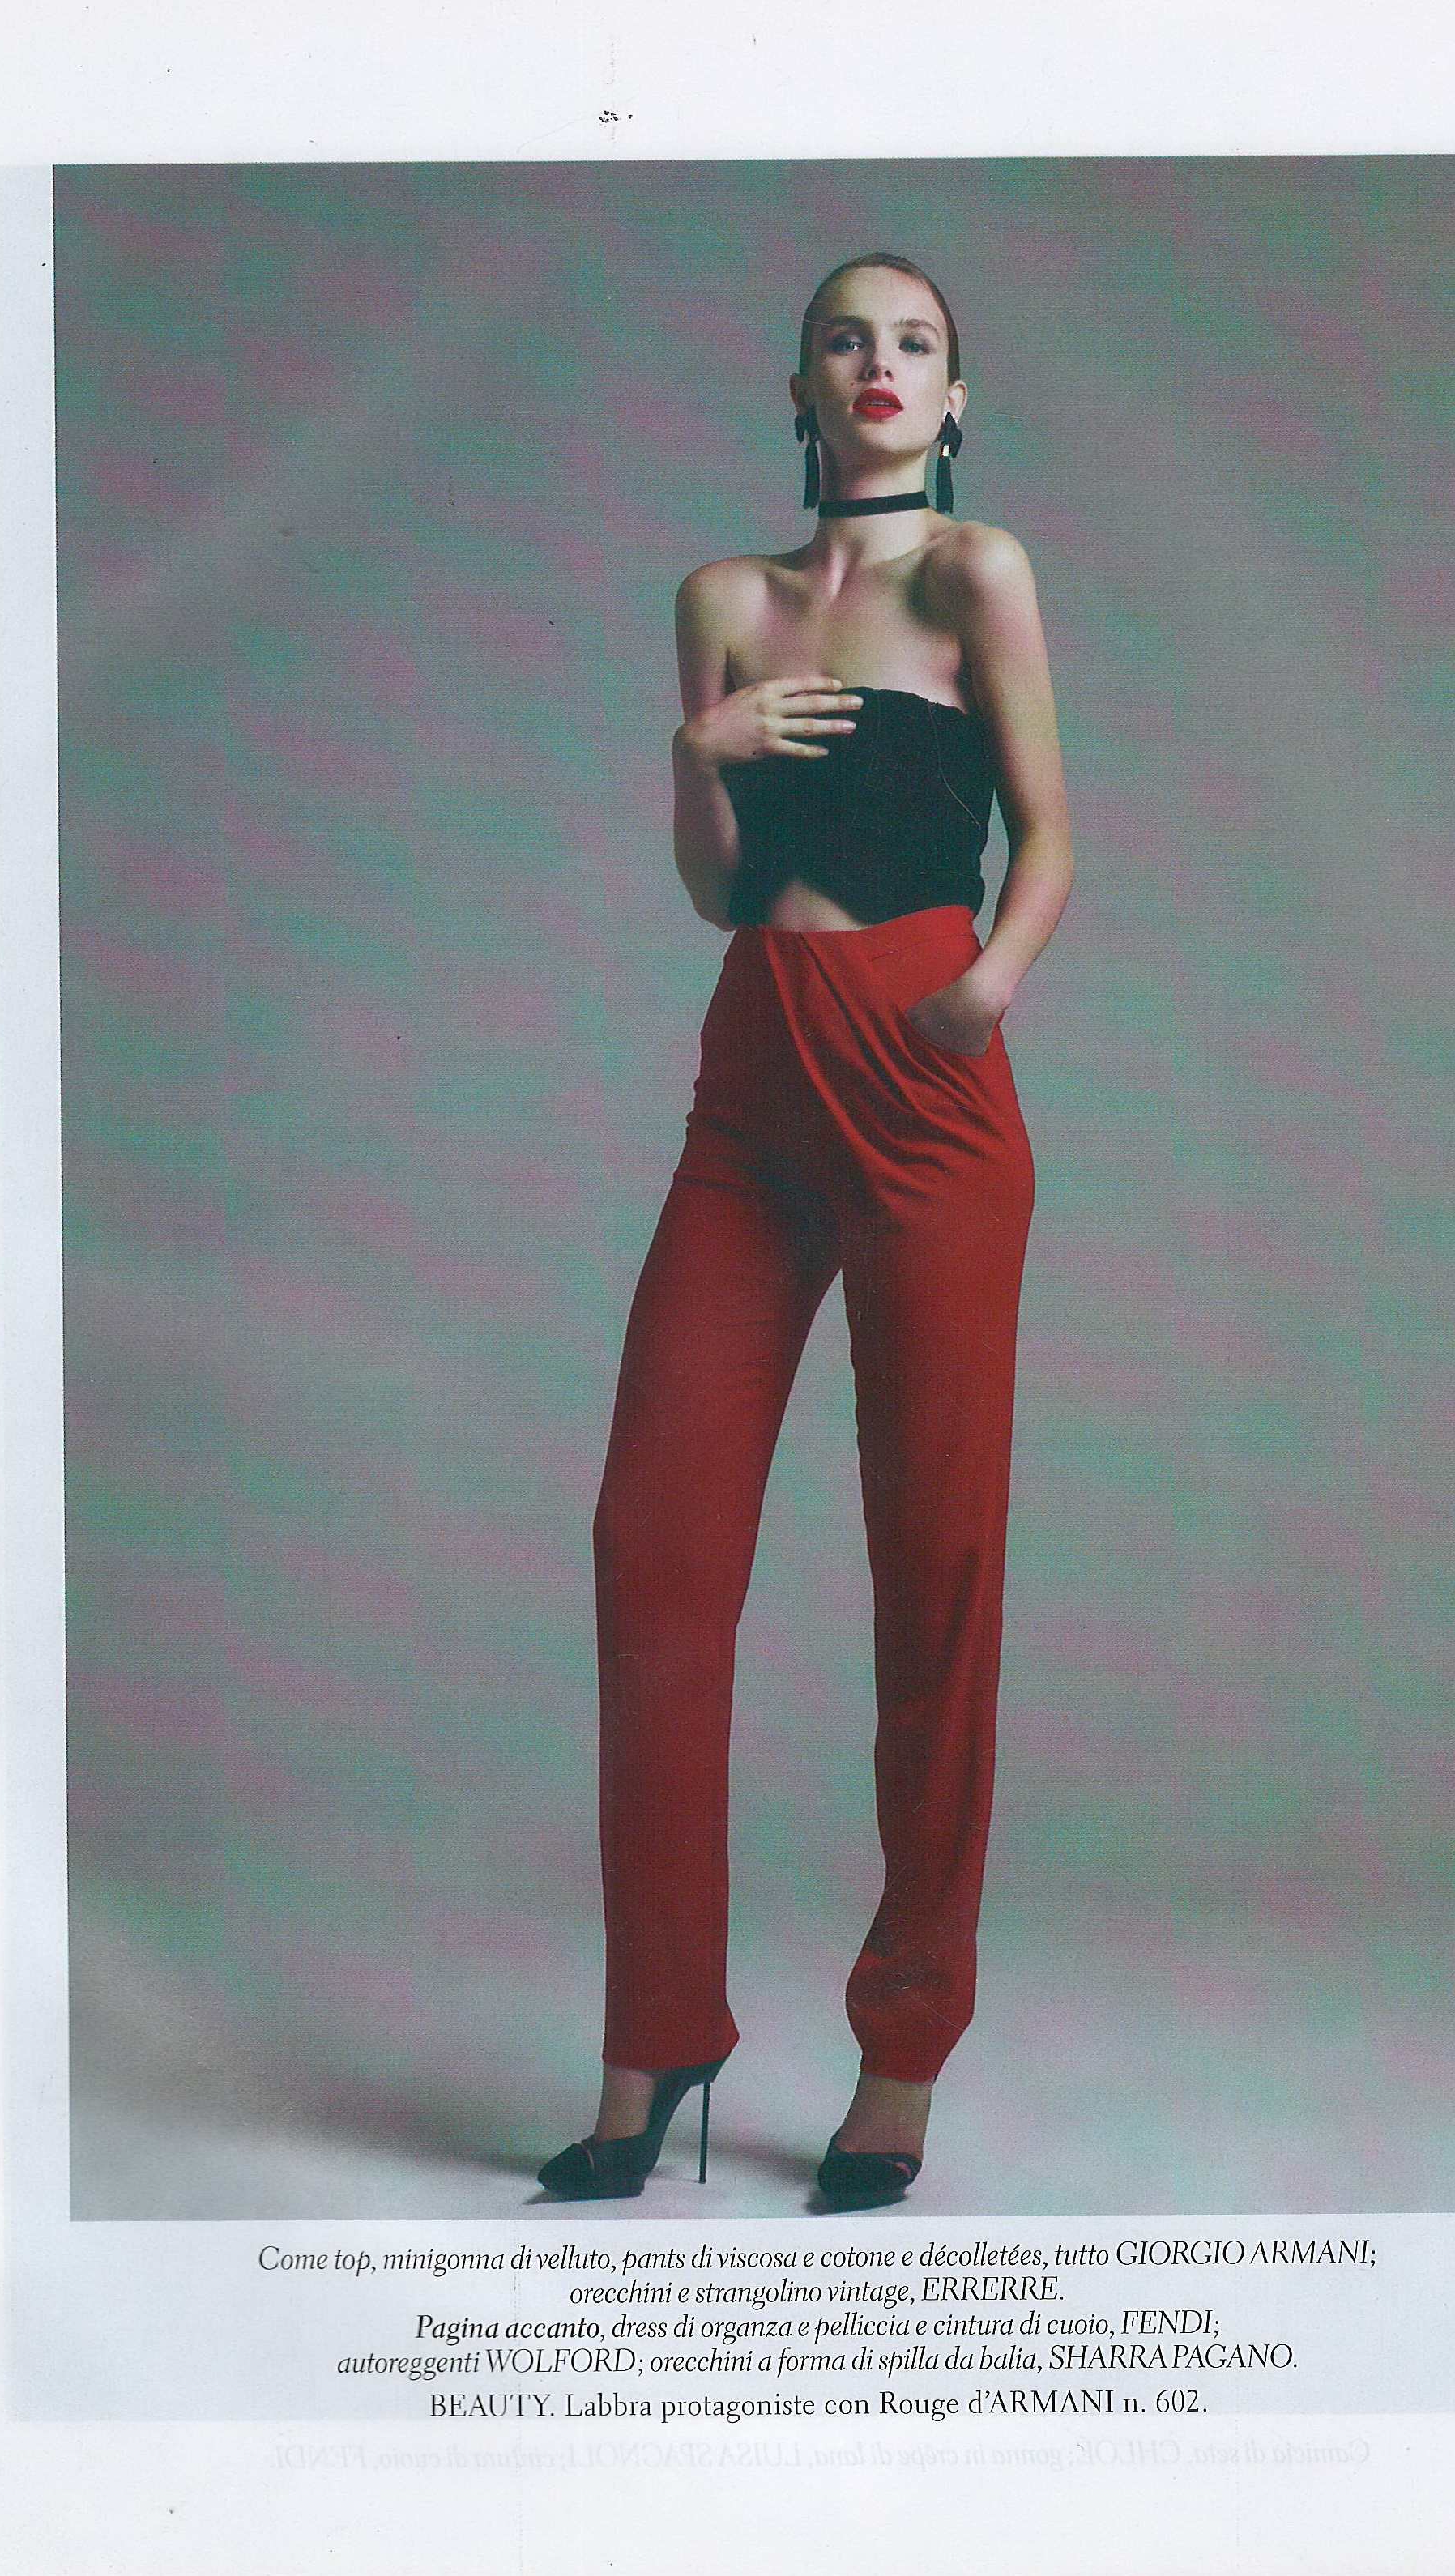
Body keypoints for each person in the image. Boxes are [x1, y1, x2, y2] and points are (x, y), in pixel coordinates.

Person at [538, 253, 1072, 2210]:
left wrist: (984, 988)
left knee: (933, 1571)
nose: (881, 363)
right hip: (752, 1082)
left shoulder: (975, 576)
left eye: (916, 341)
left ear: (954, 399)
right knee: (652, 1546)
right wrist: (702, 757)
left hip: (925, 1089)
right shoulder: (725, 604)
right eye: (848, 337)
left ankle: (901, 2053)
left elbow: (1053, 834)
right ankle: (657, 2030)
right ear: (800, 385)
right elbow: (713, 889)